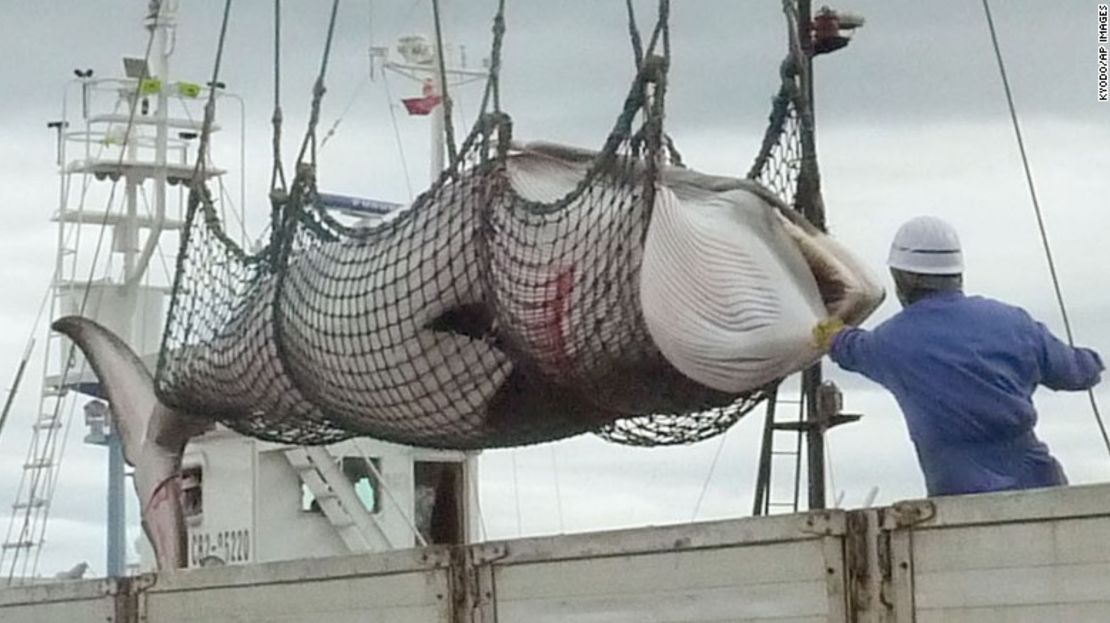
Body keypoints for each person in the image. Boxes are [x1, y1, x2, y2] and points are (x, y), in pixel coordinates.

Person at [812, 216, 1104, 497]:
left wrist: (827, 330)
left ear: (902, 277)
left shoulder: (890, 342)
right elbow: (1078, 372)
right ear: (957, 273)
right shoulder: (1013, 322)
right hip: (1043, 492)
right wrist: (1093, 361)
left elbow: (845, 345)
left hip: (958, 502)